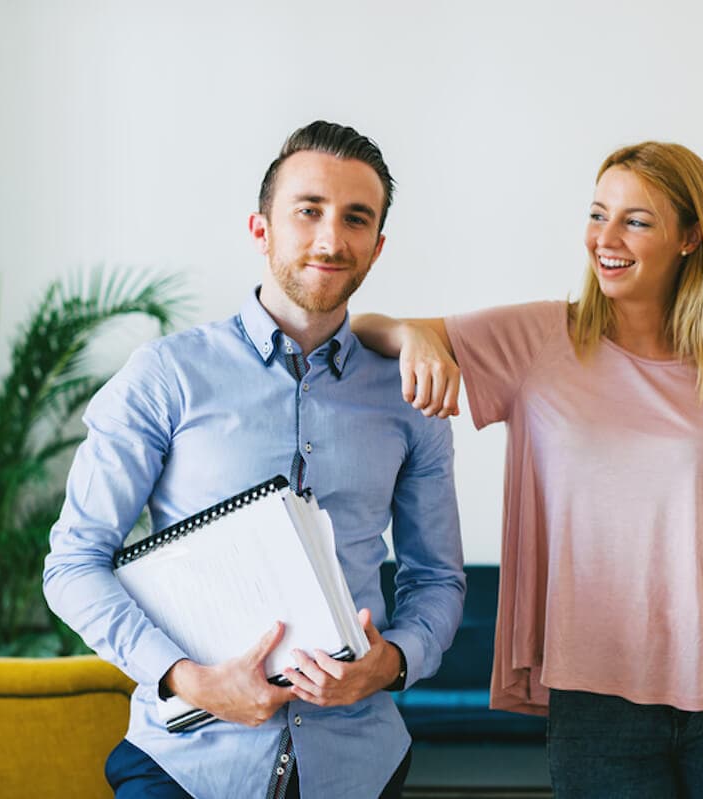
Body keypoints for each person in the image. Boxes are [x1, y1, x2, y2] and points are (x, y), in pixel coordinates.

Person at [353, 142, 703, 798]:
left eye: (636, 221)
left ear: (690, 238)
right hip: (597, 703)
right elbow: (362, 327)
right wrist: (418, 337)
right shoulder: (540, 340)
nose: (605, 239)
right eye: (597, 213)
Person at [42, 120, 465, 799]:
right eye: (308, 210)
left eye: (356, 218)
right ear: (260, 228)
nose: (331, 238)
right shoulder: (164, 376)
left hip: (360, 766)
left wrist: (389, 663)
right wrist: (187, 676)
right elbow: (73, 562)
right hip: (184, 767)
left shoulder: (411, 394)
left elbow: (437, 581)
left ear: (377, 246)